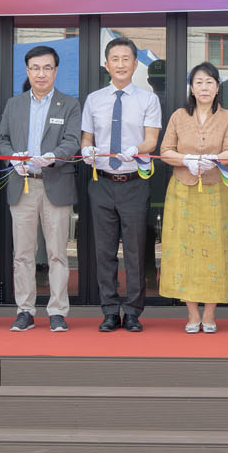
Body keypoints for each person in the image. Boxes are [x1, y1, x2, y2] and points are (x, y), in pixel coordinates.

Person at [0, 45, 82, 332]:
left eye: (47, 68)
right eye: (35, 68)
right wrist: (13, 158)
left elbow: (73, 141)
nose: (41, 73)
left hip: (55, 183)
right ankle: (25, 310)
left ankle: (57, 311)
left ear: (55, 71)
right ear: (27, 71)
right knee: (23, 253)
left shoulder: (69, 104)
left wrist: (53, 157)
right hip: (23, 184)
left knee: (57, 253)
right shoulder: (14, 104)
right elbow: (3, 140)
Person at [79, 36, 161, 333]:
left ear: (136, 64)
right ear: (106, 64)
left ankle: (134, 311)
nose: (121, 64)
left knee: (136, 251)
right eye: (115, 59)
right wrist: (86, 150)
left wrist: (136, 149)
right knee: (105, 251)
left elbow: (151, 140)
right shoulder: (94, 99)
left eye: (126, 59)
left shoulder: (148, 99)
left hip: (133, 183)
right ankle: (110, 311)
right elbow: (87, 138)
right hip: (101, 182)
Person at [159, 62, 228, 331]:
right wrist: (187, 159)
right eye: (198, 82)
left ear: (217, 88)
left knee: (217, 250)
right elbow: (165, 151)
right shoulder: (179, 116)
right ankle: (192, 313)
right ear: (191, 89)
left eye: (209, 82)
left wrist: (215, 160)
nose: (204, 87)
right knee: (183, 250)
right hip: (182, 191)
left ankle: (210, 314)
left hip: (217, 190)